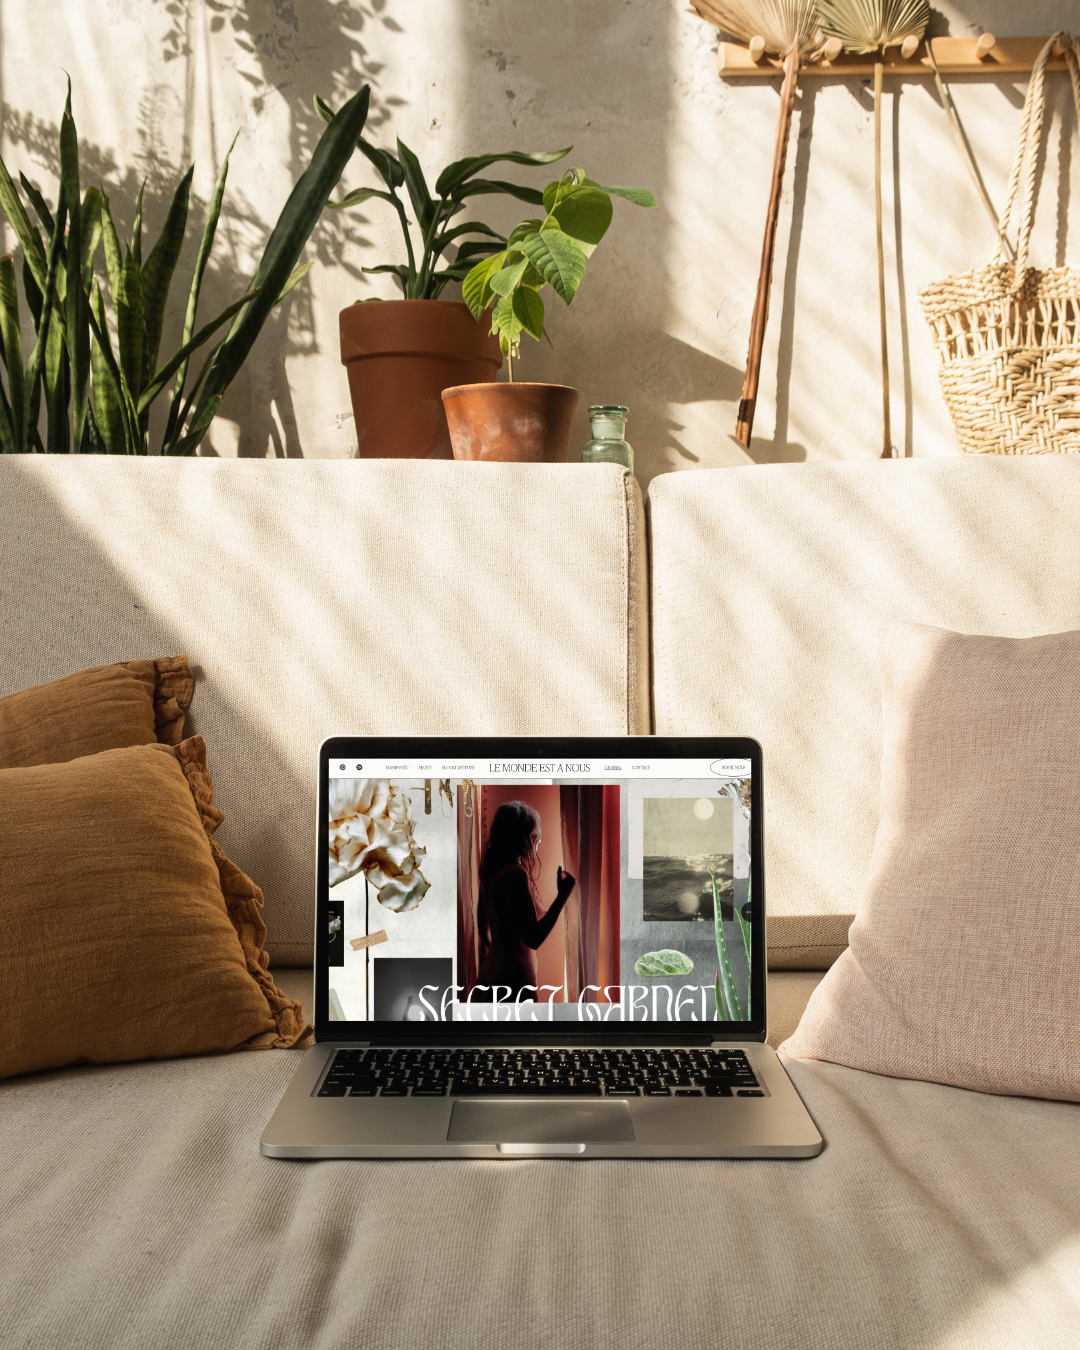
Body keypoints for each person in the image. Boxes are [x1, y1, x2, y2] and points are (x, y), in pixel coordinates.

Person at [472, 800, 576, 1001]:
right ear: (523, 837)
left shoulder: (491, 874)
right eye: (534, 834)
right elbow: (533, 938)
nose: (537, 840)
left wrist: (503, 949)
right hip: (514, 983)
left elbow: (483, 929)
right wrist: (562, 897)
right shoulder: (515, 876)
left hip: (488, 977)